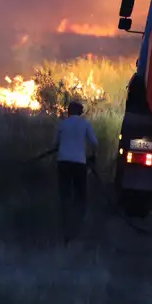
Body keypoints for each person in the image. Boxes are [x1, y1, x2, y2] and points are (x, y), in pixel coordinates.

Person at [54, 101, 98, 243]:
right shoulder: (85, 124)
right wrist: (92, 156)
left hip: (63, 163)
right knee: (80, 196)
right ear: (80, 112)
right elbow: (95, 142)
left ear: (69, 111)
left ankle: (64, 226)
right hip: (79, 164)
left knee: (65, 195)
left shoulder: (63, 124)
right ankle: (77, 226)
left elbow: (54, 144)